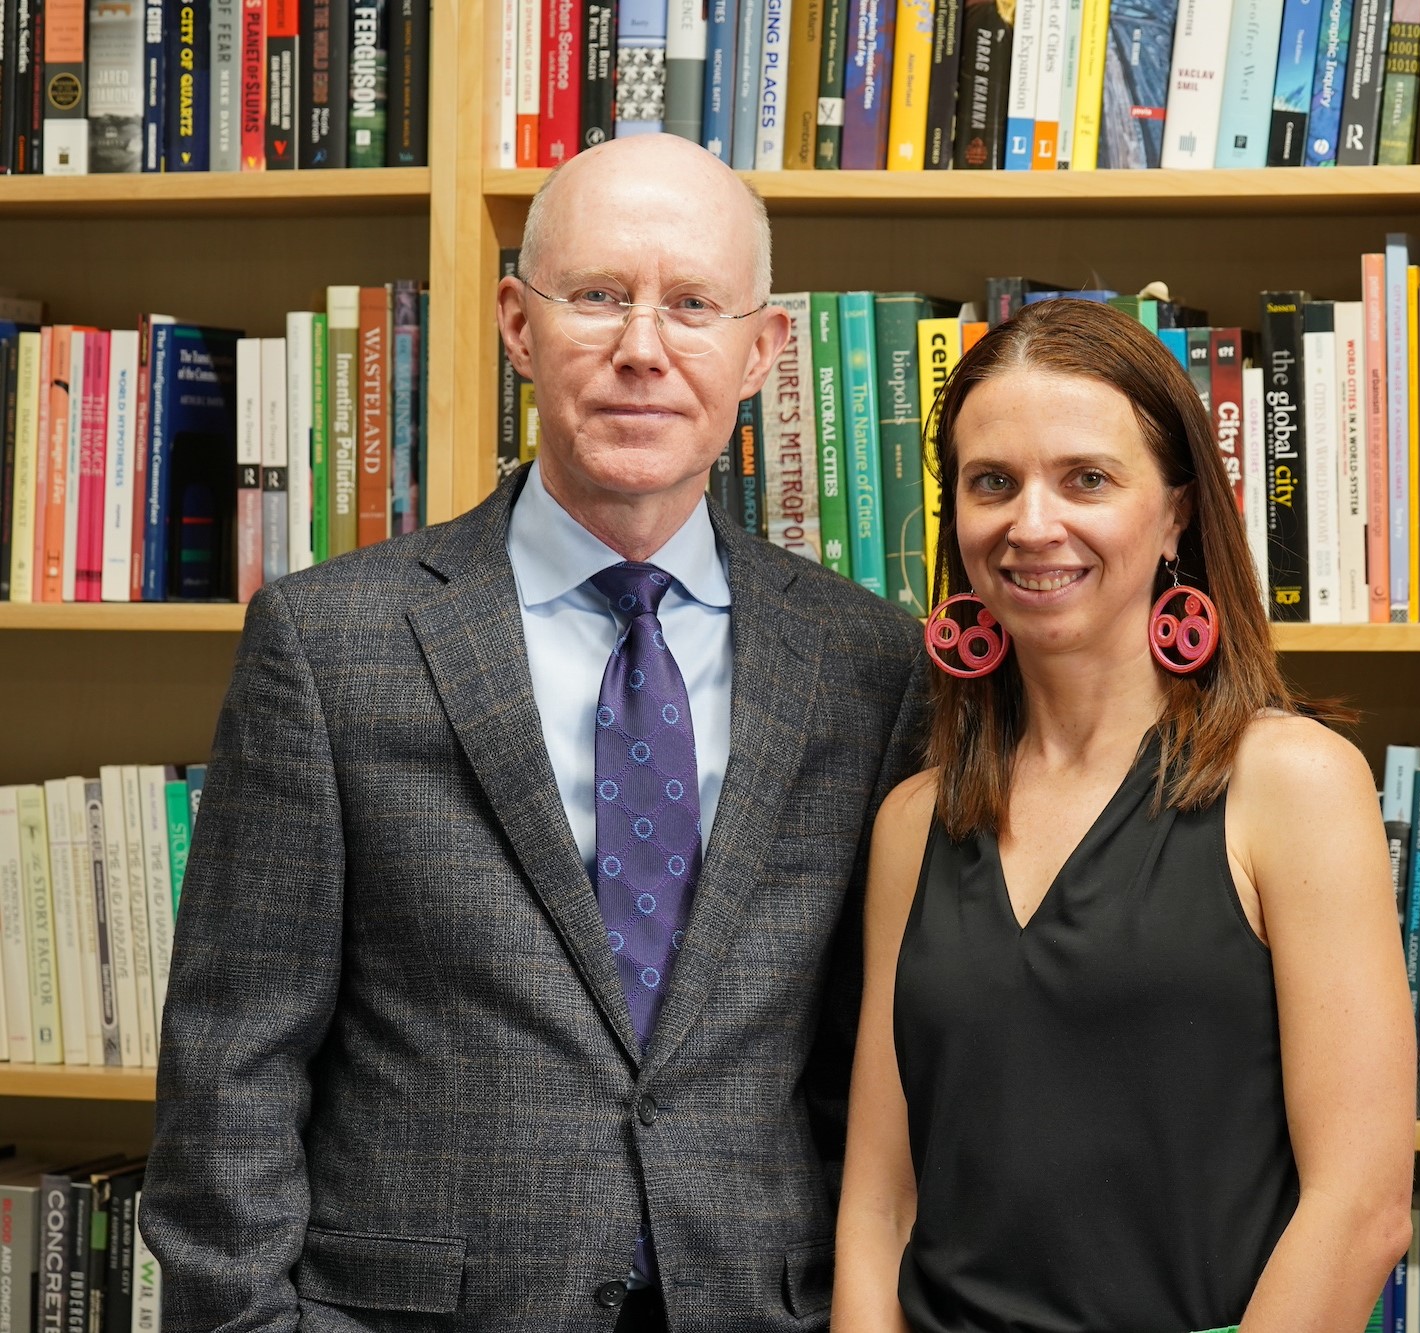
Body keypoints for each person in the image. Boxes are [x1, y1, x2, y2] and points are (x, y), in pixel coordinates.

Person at [142, 134, 926, 1333]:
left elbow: (866, 1067)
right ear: (517, 324)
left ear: (765, 350)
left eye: (694, 306)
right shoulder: (329, 642)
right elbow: (230, 1063)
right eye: (599, 297)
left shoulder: (867, 664)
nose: (642, 350)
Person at [832, 298, 1416, 1333]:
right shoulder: (913, 823)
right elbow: (881, 1202)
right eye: (991, 483)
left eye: (1086, 479)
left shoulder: (1293, 784)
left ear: (1178, 512)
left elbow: (1360, 1208)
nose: (1031, 524)